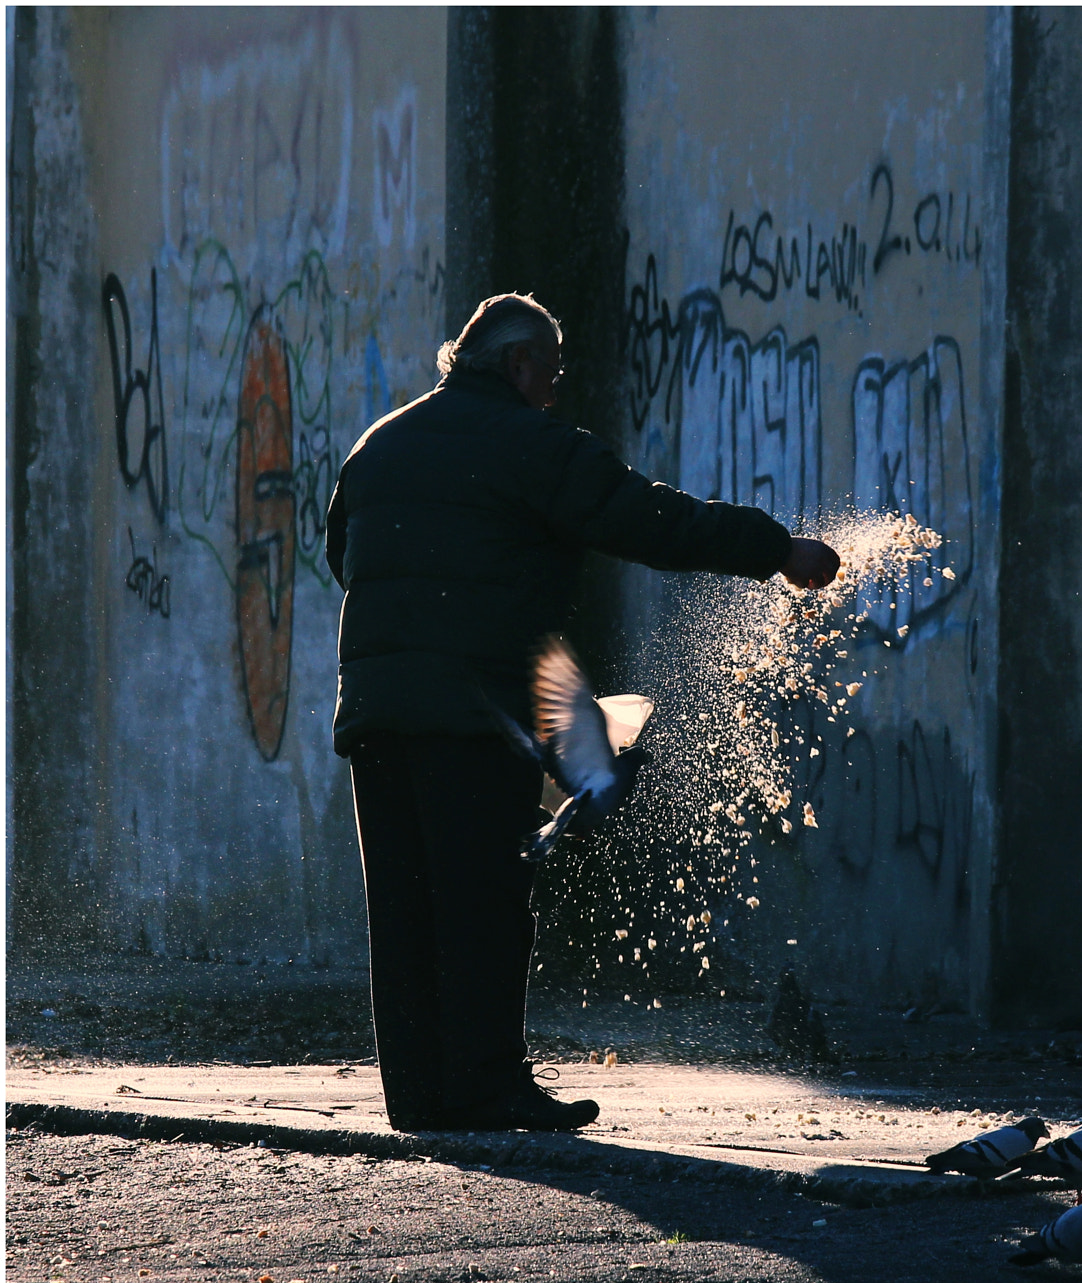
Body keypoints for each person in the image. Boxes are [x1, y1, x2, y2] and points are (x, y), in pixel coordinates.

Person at [325, 293, 839, 1132]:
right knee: (485, 902)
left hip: (377, 713)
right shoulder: (531, 444)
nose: (554, 392)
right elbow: (648, 518)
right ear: (520, 363)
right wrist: (776, 549)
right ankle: (489, 1087)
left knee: (407, 908)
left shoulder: (378, 445)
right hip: (476, 714)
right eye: (551, 374)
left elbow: (343, 555)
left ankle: (420, 1097)